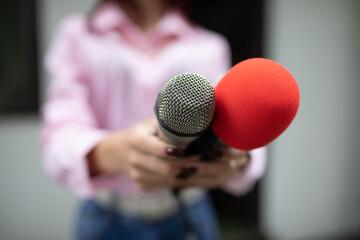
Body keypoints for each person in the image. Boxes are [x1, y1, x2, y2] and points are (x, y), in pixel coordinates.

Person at [42, 0, 266, 239]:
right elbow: (59, 139)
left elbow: (235, 126)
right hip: (107, 217)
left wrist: (237, 159)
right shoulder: (79, 35)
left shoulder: (209, 46)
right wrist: (123, 151)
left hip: (189, 214)